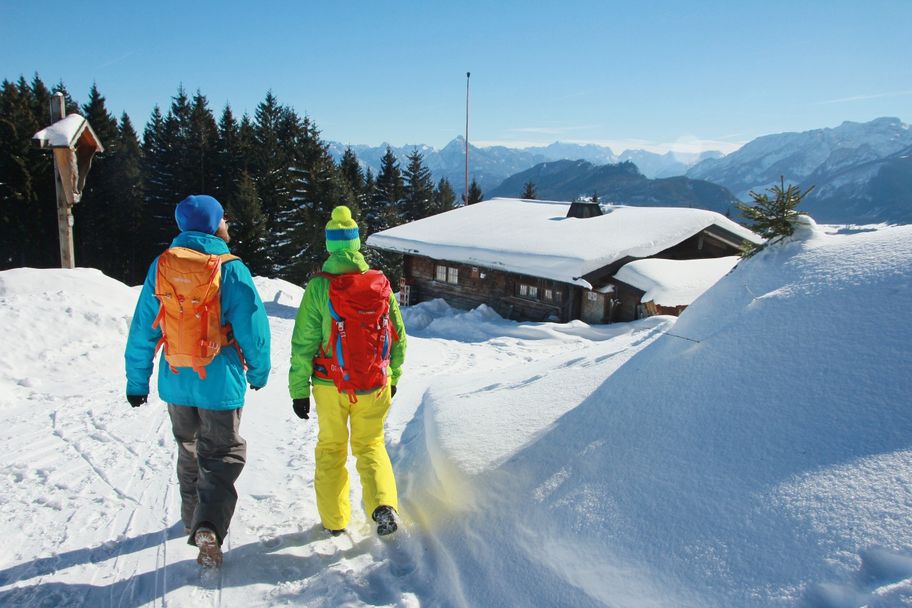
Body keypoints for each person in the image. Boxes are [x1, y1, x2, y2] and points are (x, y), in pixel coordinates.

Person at [124, 194, 271, 567]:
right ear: (213, 224)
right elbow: (253, 328)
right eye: (224, 219)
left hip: (176, 380)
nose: (228, 225)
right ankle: (208, 526)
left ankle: (192, 516)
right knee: (221, 455)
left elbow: (143, 328)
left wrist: (137, 382)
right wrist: (258, 371)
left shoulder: (161, 266)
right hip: (219, 384)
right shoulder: (231, 267)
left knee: (187, 449)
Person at [289, 206, 407, 537]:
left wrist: (299, 390)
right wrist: (393, 376)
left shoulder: (318, 287)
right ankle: (383, 506)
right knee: (371, 445)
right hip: (373, 383)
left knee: (331, 449)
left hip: (330, 385)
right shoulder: (379, 283)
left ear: (330, 245)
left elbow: (303, 344)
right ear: (355, 245)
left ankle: (335, 521)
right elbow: (399, 337)